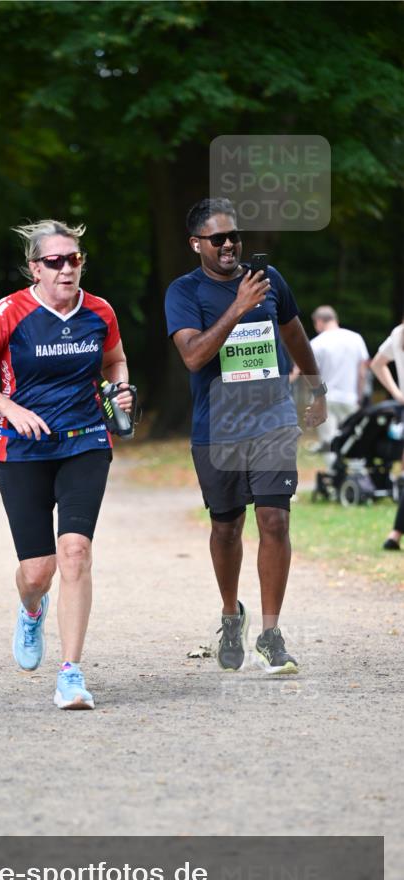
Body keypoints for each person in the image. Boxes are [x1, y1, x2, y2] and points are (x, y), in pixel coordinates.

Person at [0, 219, 132, 710]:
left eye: (74, 260)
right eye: (55, 261)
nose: (67, 269)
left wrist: (118, 392)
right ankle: (32, 610)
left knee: (74, 552)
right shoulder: (9, 312)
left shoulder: (99, 311)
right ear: (36, 268)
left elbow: (114, 360)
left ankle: (71, 674)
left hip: (85, 442)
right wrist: (9, 408)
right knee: (38, 571)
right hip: (23, 451)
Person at [165, 198, 327, 675]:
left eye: (235, 235)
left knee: (275, 521)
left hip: (272, 418)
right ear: (197, 244)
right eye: (218, 238)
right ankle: (231, 613)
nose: (231, 244)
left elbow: (294, 332)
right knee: (226, 526)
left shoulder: (269, 280)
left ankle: (272, 635)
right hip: (217, 426)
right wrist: (238, 307)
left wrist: (315, 386)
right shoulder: (183, 292)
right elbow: (193, 356)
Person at [292, 306, 369, 453]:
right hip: (349, 398)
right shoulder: (355, 338)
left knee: (329, 442)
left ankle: (333, 472)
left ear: (319, 321)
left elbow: (309, 374)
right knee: (352, 440)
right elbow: (362, 373)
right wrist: (359, 397)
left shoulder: (316, 343)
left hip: (325, 399)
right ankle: (353, 472)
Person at [370, 318, 404, 551]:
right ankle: (395, 534)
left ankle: (395, 534)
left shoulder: (399, 333)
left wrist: (397, 394)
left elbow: (377, 363)